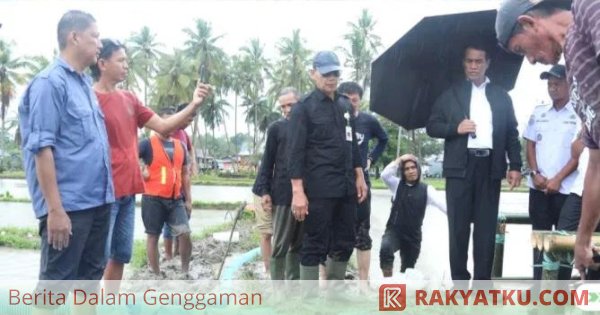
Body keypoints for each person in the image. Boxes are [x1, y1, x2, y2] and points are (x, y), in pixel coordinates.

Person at [495, 0, 600, 278]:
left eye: (522, 49)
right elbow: (596, 166)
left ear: (528, 23)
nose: (529, 60)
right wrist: (582, 239)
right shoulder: (576, 81)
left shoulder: (587, 9)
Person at [90, 39, 209, 282]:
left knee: (120, 255)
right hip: (103, 192)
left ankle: (110, 305)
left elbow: (165, 125)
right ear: (102, 63)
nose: (126, 65)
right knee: (96, 258)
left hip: (127, 193)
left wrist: (194, 104)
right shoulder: (88, 99)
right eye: (121, 60)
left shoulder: (129, 99)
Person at [19, 10, 114, 285]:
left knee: (88, 283)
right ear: (74, 37)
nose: (99, 43)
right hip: (70, 208)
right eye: (94, 36)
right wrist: (56, 211)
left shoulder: (84, 83)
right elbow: (42, 150)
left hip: (99, 201)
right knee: (53, 288)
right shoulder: (50, 84)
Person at [426, 43, 522, 281]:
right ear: (463, 63)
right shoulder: (452, 93)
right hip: (460, 168)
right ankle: (459, 282)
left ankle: (482, 285)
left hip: (490, 168)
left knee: (486, 230)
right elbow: (432, 126)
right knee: (458, 229)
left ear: (487, 63)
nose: (473, 66)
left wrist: (516, 166)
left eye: (478, 61)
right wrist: (455, 128)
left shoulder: (501, 96)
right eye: (469, 61)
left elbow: (512, 133)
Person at [287, 51, 368, 281]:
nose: (331, 78)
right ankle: (309, 302)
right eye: (326, 73)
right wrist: (298, 193)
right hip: (319, 188)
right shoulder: (303, 108)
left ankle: (335, 293)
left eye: (335, 73)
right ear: (313, 74)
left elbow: (351, 145)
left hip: (346, 186)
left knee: (345, 240)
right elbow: (295, 153)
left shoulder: (344, 105)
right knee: (314, 242)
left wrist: (359, 176)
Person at [523, 64, 580, 279]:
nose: (552, 88)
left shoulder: (578, 115)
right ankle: (539, 286)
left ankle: (561, 288)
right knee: (539, 239)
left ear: (570, 84)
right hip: (538, 187)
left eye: (557, 84)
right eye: (550, 84)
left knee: (564, 241)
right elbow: (530, 144)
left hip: (566, 189)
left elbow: (579, 153)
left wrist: (558, 179)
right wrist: (535, 172)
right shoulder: (539, 112)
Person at [337, 81, 388, 281]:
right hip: (336, 180)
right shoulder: (333, 121)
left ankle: (363, 282)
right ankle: (330, 281)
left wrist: (370, 159)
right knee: (334, 230)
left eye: (355, 100)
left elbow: (383, 139)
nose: (351, 104)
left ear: (359, 100)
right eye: (346, 100)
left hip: (361, 182)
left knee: (362, 231)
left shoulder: (368, 121)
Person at [252, 87, 302, 280]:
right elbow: (267, 162)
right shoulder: (276, 128)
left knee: (298, 243)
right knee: (280, 243)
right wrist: (265, 191)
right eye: (283, 106)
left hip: (305, 194)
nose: (287, 109)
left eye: (291, 105)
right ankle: (278, 290)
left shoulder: (309, 127)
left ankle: (294, 283)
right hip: (281, 193)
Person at [139, 107, 193, 275]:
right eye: (165, 121)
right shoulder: (147, 144)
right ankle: (156, 273)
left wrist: (188, 200)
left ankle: (185, 272)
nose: (170, 125)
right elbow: (131, 159)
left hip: (175, 199)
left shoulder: (181, 146)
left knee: (184, 233)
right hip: (152, 198)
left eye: (173, 121)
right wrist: (142, 170)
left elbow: (185, 174)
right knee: (153, 236)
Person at [379, 154, 446, 277]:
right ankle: (388, 283)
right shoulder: (396, 185)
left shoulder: (427, 190)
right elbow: (384, 175)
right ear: (402, 172)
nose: (411, 171)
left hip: (413, 236)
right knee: (386, 248)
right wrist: (399, 159)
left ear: (418, 169)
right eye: (407, 169)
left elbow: (444, 206)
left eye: (413, 167)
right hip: (394, 231)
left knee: (408, 271)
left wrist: (462, 218)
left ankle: (403, 290)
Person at [163, 103, 198, 260]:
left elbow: (190, 149)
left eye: (191, 121)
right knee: (168, 224)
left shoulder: (184, 135)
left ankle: (178, 251)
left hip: (183, 184)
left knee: (184, 217)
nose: (188, 123)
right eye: (187, 119)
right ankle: (168, 254)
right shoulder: (168, 132)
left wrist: (193, 163)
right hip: (168, 186)